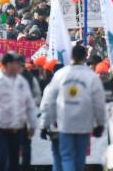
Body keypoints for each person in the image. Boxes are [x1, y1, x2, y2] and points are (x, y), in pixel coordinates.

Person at [39, 43, 106, 171]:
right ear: (85, 57)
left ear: (71, 56)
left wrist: (45, 123)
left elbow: (49, 101)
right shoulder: (92, 76)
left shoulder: (60, 75)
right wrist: (100, 123)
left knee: (67, 156)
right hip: (84, 123)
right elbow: (99, 103)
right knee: (80, 158)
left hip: (65, 122)